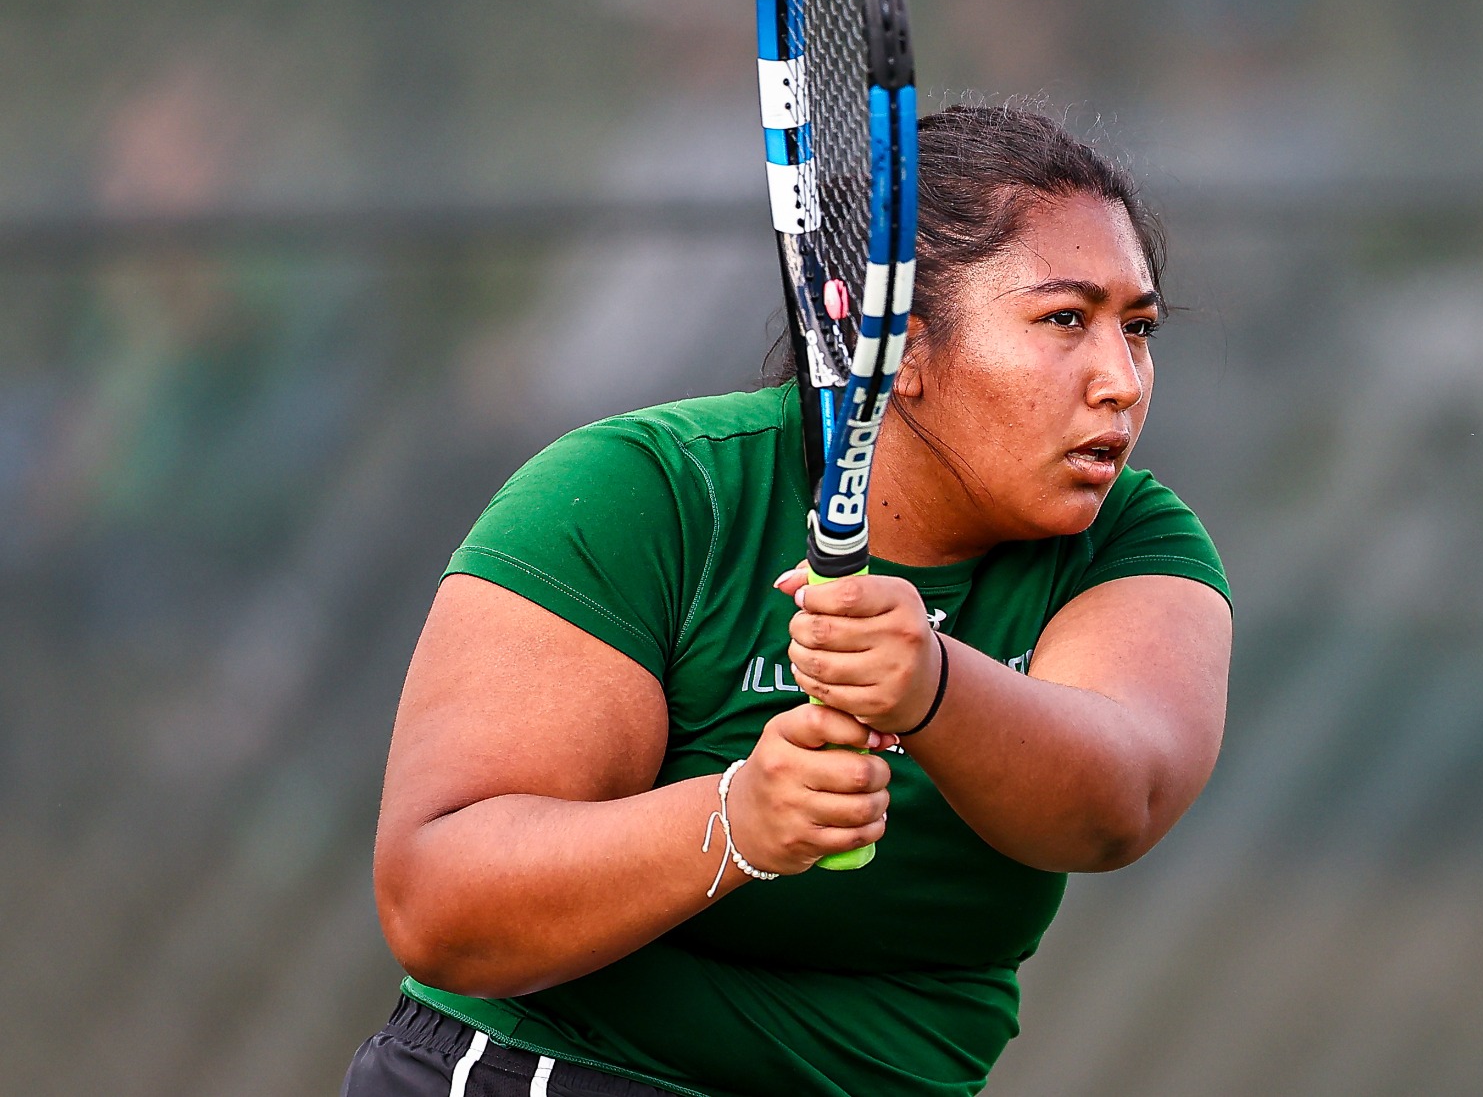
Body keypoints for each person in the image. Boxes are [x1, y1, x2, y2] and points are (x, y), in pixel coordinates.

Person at [343, 104, 1233, 1097]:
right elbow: (441, 906)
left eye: (1137, 328)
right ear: (882, 333)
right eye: (1064, 319)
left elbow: (1118, 804)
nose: (1119, 380)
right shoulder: (643, 494)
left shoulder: (1128, 542)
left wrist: (932, 686)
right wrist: (736, 821)